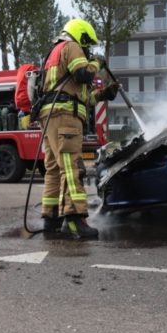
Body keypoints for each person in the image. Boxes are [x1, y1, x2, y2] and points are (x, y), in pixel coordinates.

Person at [39, 19, 119, 239]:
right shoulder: (71, 46)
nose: (87, 50)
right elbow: (83, 74)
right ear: (80, 36)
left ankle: (51, 220)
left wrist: (104, 94)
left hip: (51, 117)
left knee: (54, 169)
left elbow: (80, 96)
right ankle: (75, 221)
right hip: (65, 117)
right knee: (72, 167)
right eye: (87, 45)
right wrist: (97, 63)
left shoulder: (53, 53)